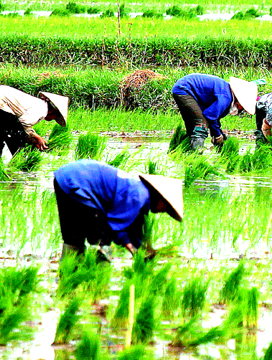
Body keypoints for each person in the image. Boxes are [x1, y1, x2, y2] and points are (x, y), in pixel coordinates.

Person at [53, 159, 184, 261]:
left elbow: (134, 230)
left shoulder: (139, 193)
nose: (163, 211)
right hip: (81, 183)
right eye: (166, 208)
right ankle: (98, 280)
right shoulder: (138, 196)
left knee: (73, 239)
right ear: (161, 199)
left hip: (63, 177)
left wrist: (140, 250)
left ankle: (67, 278)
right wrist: (130, 247)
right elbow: (114, 225)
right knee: (101, 240)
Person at [171, 74, 258, 151]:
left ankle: (185, 151)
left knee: (193, 127)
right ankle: (195, 156)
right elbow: (210, 116)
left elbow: (214, 118)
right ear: (239, 101)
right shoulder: (226, 97)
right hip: (184, 89)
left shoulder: (226, 93)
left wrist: (218, 134)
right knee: (201, 125)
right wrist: (217, 135)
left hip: (185, 88)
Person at [0, 85, 68, 155]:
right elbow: (22, 124)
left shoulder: (37, 103)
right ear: (52, 111)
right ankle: (19, 162)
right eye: (56, 116)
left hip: (2, 99)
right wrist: (37, 137)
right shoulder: (43, 109)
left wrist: (34, 140)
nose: (53, 119)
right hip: (2, 102)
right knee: (16, 138)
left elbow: (23, 126)